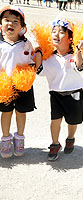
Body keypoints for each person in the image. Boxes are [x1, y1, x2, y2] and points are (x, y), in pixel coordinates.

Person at [36, 19, 83, 161]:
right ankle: (55, 143)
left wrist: (78, 51)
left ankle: (70, 138)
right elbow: (40, 72)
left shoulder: (76, 55)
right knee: (55, 120)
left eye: (61, 32)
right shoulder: (49, 57)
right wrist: (39, 54)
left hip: (74, 93)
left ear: (70, 38)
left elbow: (80, 66)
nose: (56, 34)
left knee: (72, 121)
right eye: (54, 31)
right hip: (55, 94)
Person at [0, 5, 41, 158]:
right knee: (6, 112)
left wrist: (38, 54)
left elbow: (32, 64)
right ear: (1, 23)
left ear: (22, 26)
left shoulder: (26, 44)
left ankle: (20, 138)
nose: (10, 24)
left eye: (15, 21)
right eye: (6, 20)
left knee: (21, 112)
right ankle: (5, 138)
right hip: (4, 87)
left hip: (23, 85)